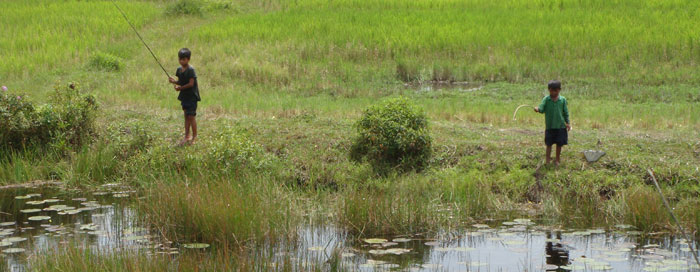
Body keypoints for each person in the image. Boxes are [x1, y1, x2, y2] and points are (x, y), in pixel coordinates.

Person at [168, 48, 201, 145]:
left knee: (191, 116)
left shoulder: (191, 70)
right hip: (184, 96)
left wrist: (180, 88)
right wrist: (174, 81)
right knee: (186, 116)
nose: (182, 61)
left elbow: (191, 84)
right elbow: (181, 81)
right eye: (180, 59)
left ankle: (194, 137)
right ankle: (187, 136)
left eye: (184, 59)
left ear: (188, 59)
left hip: (191, 97)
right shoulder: (179, 70)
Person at [534, 80, 570, 165]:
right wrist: (537, 109)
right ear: (549, 90)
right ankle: (547, 160)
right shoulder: (546, 99)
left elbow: (565, 112)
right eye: (551, 90)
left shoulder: (562, 100)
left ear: (559, 90)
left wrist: (567, 123)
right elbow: (541, 109)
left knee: (559, 144)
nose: (553, 92)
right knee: (549, 144)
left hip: (560, 126)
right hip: (550, 126)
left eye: (556, 90)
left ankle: (557, 159)